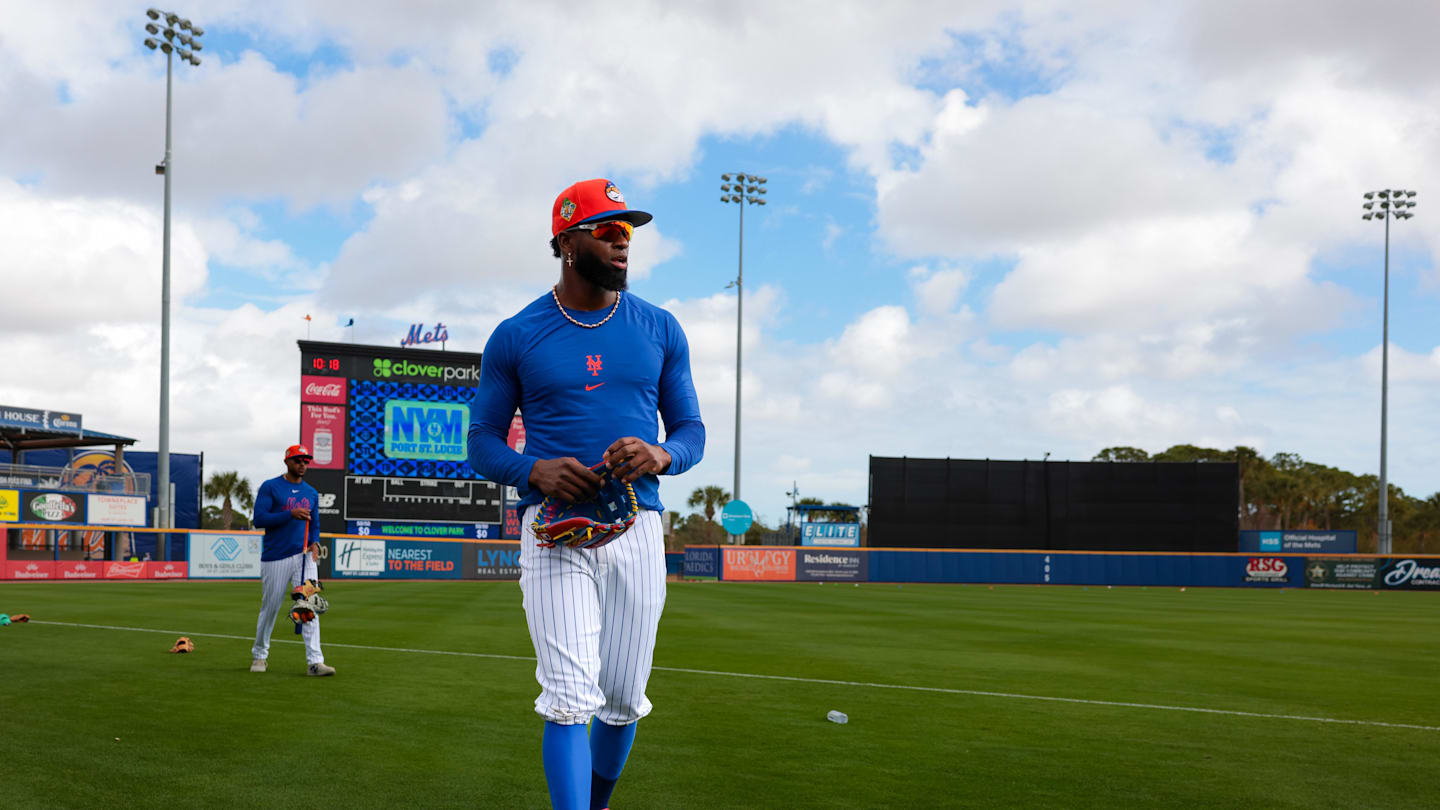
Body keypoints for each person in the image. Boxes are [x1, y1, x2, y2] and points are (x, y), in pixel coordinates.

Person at [468, 178, 705, 810]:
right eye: (608, 230)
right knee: (571, 699)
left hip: (638, 526)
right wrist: (533, 472)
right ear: (567, 241)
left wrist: (661, 453)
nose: (623, 243)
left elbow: (691, 432)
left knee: (623, 700)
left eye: (628, 233)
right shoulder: (517, 334)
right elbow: (482, 441)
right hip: (554, 531)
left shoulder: (660, 327)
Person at [249, 444, 334, 676]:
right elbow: (260, 518)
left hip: (304, 557)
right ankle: (259, 655)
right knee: (270, 608)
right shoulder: (271, 487)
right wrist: (290, 514)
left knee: (309, 607)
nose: (303, 464)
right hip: (276, 556)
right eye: (298, 460)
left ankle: (315, 662)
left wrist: (315, 542)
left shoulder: (311, 493)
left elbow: (314, 524)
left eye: (306, 460)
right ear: (287, 462)